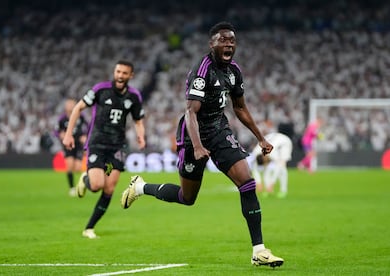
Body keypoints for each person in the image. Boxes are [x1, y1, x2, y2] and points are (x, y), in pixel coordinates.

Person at [121, 22, 283, 268]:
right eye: (223, 41)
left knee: (247, 182)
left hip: (219, 130)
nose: (229, 44)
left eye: (232, 41)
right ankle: (140, 187)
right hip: (192, 135)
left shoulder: (234, 71)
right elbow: (190, 112)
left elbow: (239, 107)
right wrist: (196, 146)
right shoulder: (202, 70)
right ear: (212, 44)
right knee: (187, 197)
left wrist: (261, 137)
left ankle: (259, 250)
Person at [63, 60, 145, 239]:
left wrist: (141, 135)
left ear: (131, 76)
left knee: (109, 188)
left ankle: (89, 228)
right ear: (114, 72)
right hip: (97, 143)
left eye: (124, 73)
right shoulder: (101, 89)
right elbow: (78, 108)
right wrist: (68, 134)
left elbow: (138, 119)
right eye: (118, 72)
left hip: (118, 146)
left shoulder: (134, 96)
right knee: (97, 186)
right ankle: (85, 181)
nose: (120, 76)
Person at [56, 99, 88, 196]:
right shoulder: (62, 119)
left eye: (71, 104)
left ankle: (82, 183)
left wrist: (85, 136)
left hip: (78, 144)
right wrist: (60, 135)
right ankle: (72, 188)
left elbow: (88, 127)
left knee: (78, 168)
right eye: (68, 104)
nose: (70, 106)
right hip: (68, 144)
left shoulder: (81, 117)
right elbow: (56, 130)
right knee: (69, 165)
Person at [251, 132, 293, 198]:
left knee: (282, 167)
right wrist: (258, 182)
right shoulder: (256, 152)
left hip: (284, 142)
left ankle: (283, 190)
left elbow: (279, 167)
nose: (267, 163)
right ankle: (268, 190)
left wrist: (272, 183)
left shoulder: (272, 152)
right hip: (273, 138)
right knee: (266, 169)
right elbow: (254, 168)